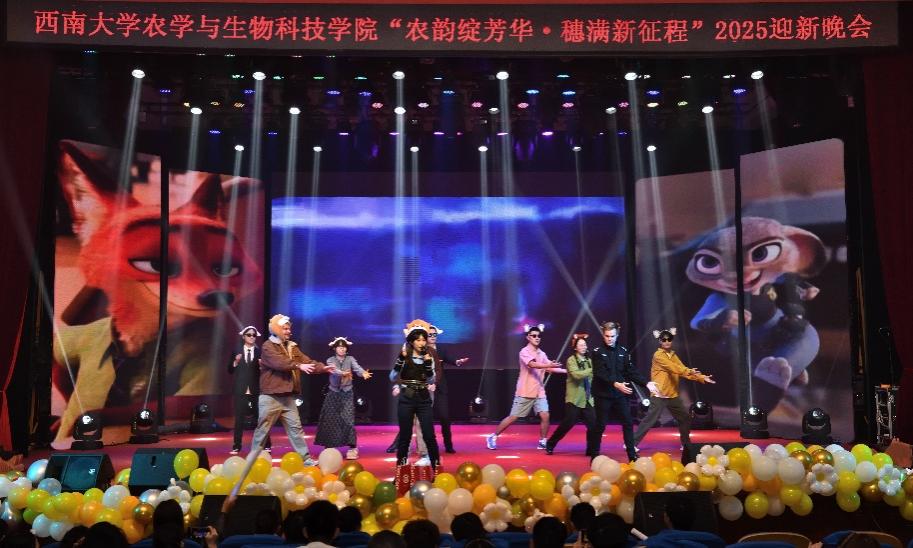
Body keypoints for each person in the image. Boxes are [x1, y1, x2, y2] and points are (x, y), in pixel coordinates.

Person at [252, 314, 334, 465]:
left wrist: (323, 368)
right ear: (276, 329)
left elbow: (306, 361)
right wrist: (298, 365)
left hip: (288, 397)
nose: (288, 331)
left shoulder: (292, 346)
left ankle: (305, 459)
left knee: (296, 429)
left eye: (289, 328)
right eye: (285, 328)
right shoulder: (268, 346)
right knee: (263, 430)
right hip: (271, 397)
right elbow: (279, 363)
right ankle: (253, 460)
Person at [387, 324, 467, 455]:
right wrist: (398, 385)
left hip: (429, 389)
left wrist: (432, 381)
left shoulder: (432, 352)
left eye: (424, 339)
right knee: (409, 418)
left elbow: (437, 370)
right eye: (419, 339)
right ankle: (402, 449)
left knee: (428, 421)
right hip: (410, 389)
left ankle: (427, 451)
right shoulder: (406, 352)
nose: (423, 341)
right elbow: (397, 374)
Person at [487, 324, 565, 451]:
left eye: (539, 336)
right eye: (534, 336)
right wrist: (548, 365)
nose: (537, 338)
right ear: (528, 337)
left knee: (545, 415)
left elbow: (549, 368)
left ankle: (543, 441)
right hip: (525, 391)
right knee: (513, 417)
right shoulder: (524, 352)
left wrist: (567, 371)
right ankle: (493, 436)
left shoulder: (541, 353)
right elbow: (532, 364)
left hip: (539, 391)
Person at [632, 329, 714, 449]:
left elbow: (682, 370)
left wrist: (701, 377)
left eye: (669, 339)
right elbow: (674, 368)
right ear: (660, 341)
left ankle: (686, 445)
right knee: (650, 420)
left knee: (684, 418)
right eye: (664, 339)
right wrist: (688, 371)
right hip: (659, 394)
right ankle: (631, 444)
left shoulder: (673, 355)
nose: (667, 341)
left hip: (672, 395)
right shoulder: (658, 355)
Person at [590, 321, 655, 462]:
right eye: (607, 336)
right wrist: (616, 384)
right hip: (603, 394)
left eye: (612, 336)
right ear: (603, 335)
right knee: (600, 425)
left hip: (619, 394)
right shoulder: (597, 352)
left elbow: (630, 371)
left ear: (617, 335)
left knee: (628, 423)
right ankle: (594, 455)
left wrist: (646, 383)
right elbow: (600, 373)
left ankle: (632, 455)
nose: (609, 339)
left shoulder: (623, 351)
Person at [391, 321, 441, 467]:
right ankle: (401, 469)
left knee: (429, 435)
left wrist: (428, 365)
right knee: (405, 436)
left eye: (423, 340)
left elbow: (431, 379)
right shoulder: (404, 355)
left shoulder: (428, 356)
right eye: (418, 340)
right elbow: (392, 377)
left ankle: (436, 467)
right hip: (407, 397)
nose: (421, 343)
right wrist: (400, 361)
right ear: (412, 341)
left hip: (423, 397)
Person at [315, 337, 372, 460]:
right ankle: (329, 447)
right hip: (333, 393)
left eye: (344, 347)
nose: (342, 349)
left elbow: (357, 368)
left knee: (348, 419)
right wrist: (343, 373)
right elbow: (334, 370)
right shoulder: (330, 360)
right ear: (335, 349)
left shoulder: (350, 359)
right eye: (340, 347)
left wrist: (363, 373)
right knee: (330, 419)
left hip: (347, 393)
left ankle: (352, 448)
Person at [545, 333, 599, 457]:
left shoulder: (589, 361)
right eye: (581, 345)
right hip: (574, 399)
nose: (584, 347)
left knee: (593, 424)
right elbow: (577, 375)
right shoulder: (571, 360)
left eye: (585, 345)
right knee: (567, 424)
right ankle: (551, 443)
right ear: (575, 347)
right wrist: (592, 370)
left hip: (588, 399)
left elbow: (593, 377)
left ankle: (590, 449)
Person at [228, 326, 270, 455]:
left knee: (260, 418)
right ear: (243, 336)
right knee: (239, 419)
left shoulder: (259, 352)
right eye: (249, 335)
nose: (252, 337)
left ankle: (266, 444)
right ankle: (236, 446)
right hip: (241, 390)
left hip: (256, 389)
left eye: (254, 335)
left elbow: (266, 372)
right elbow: (229, 370)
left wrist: (262, 366)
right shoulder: (237, 351)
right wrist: (235, 362)